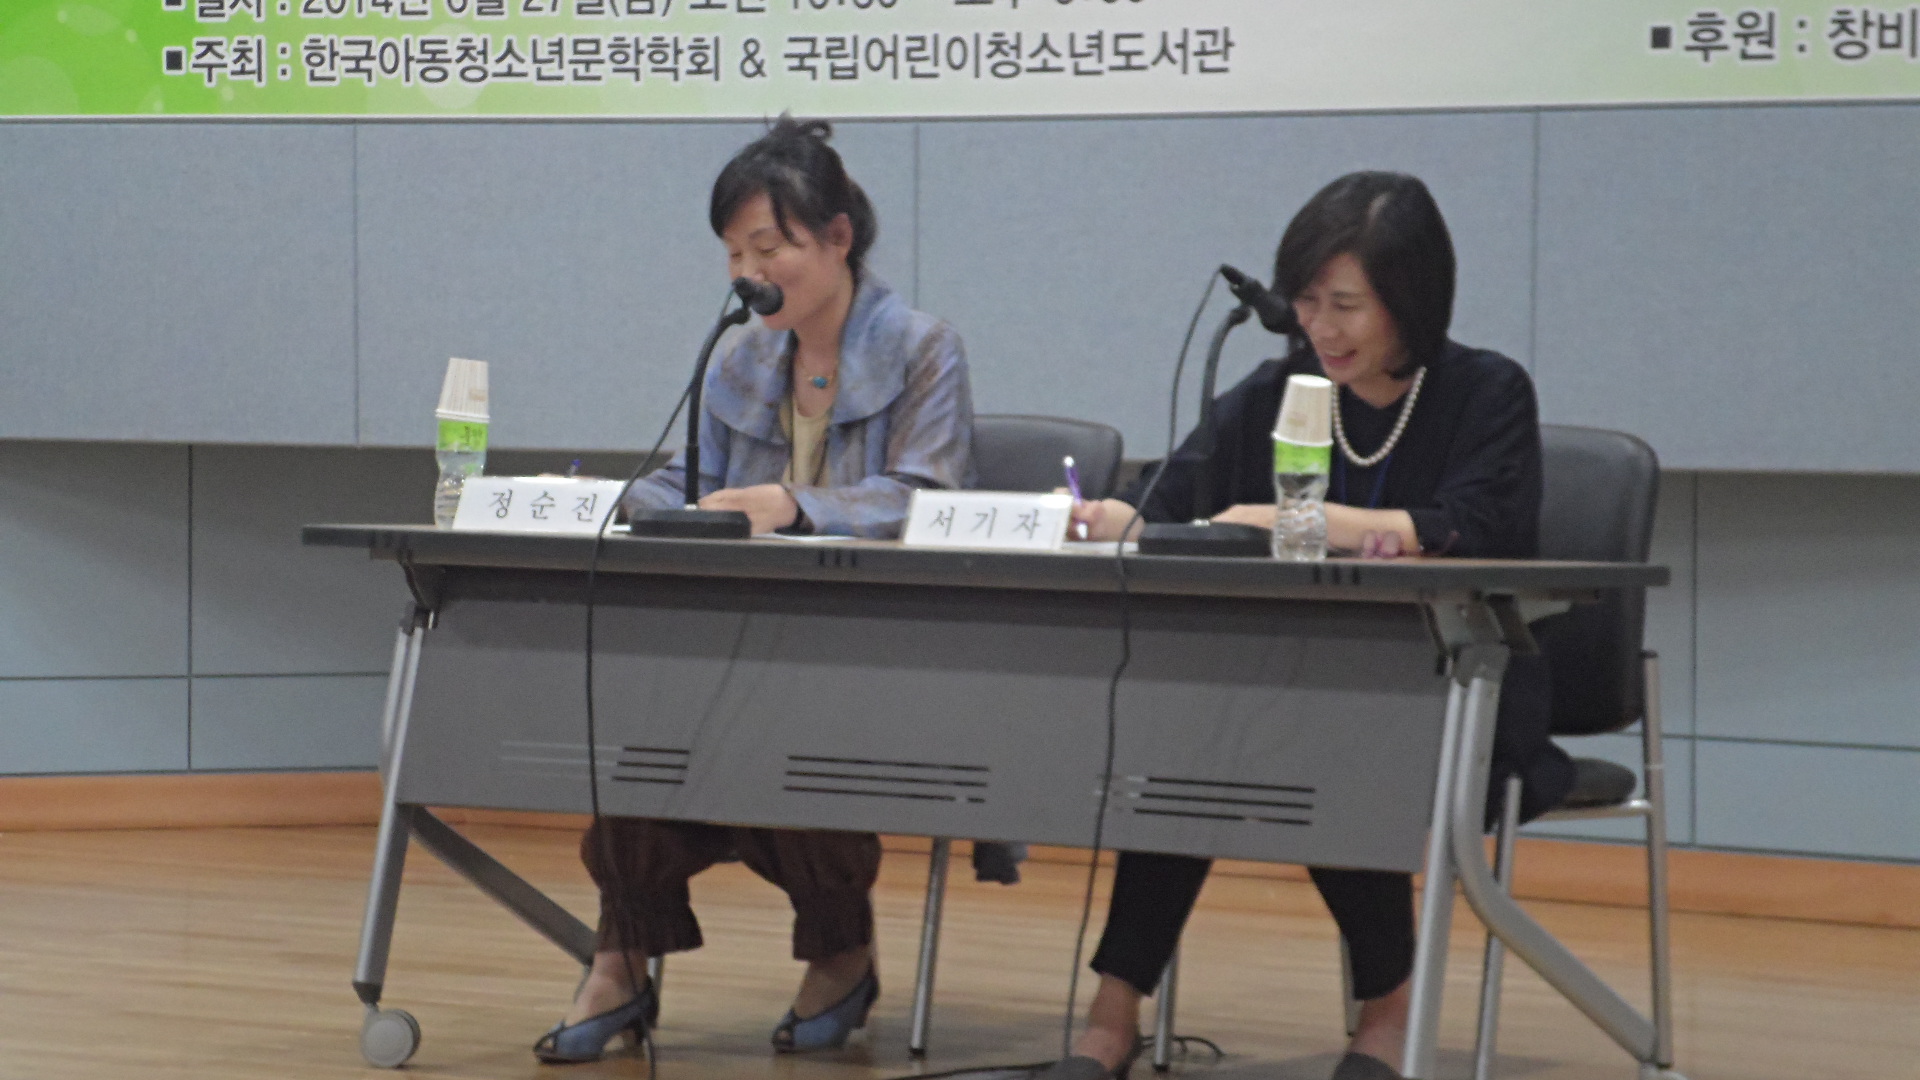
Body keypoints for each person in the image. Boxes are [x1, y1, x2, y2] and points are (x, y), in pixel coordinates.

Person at [1051, 172, 1573, 1080]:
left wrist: (1285, 518)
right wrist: (1107, 518)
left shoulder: (1485, 392)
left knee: (1315, 739)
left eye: (1345, 305)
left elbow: (1469, 530)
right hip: (1287, 690)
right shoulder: (1278, 390)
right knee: (1187, 743)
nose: (1320, 328)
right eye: (1305, 302)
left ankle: (1389, 1008)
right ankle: (1113, 1009)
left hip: (1459, 695)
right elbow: (1167, 504)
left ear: (1411, 299)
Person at [534, 116, 975, 1065]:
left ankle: (840, 951)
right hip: (734, 647)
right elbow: (686, 481)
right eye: (734, 253)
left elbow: (927, 499)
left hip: (868, 654)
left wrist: (794, 504)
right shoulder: (740, 357)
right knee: (639, 746)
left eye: (768, 248)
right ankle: (620, 957)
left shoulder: (924, 348)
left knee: (794, 743)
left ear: (838, 237)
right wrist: (610, 502)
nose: (749, 273)